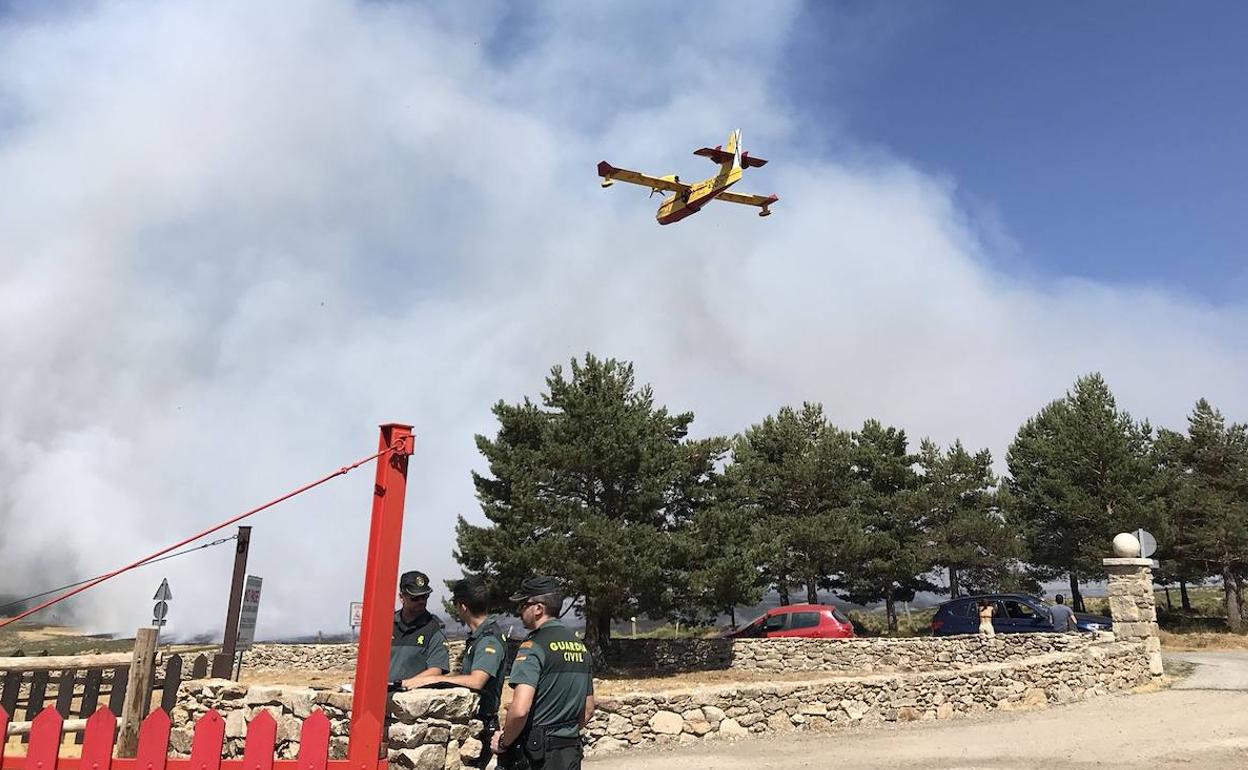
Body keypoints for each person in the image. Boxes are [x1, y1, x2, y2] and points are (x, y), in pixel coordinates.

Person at [404, 576, 507, 768]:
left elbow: (477, 681)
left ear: (462, 607)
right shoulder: (480, 636)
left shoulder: (488, 640)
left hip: (481, 725)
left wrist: (434, 679)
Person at [493, 577, 594, 770]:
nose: (519, 611)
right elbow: (588, 709)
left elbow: (520, 709)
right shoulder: (580, 648)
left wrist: (504, 741)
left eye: (524, 605)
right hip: (570, 752)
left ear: (538, 608)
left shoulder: (533, 647)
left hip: (537, 755)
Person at [387, 570, 450, 684]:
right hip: (381, 694)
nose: (421, 601)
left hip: (413, 696)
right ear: (402, 597)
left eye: (425, 596)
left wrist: (405, 684)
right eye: (415, 598)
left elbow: (436, 669)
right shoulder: (386, 625)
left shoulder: (433, 628)